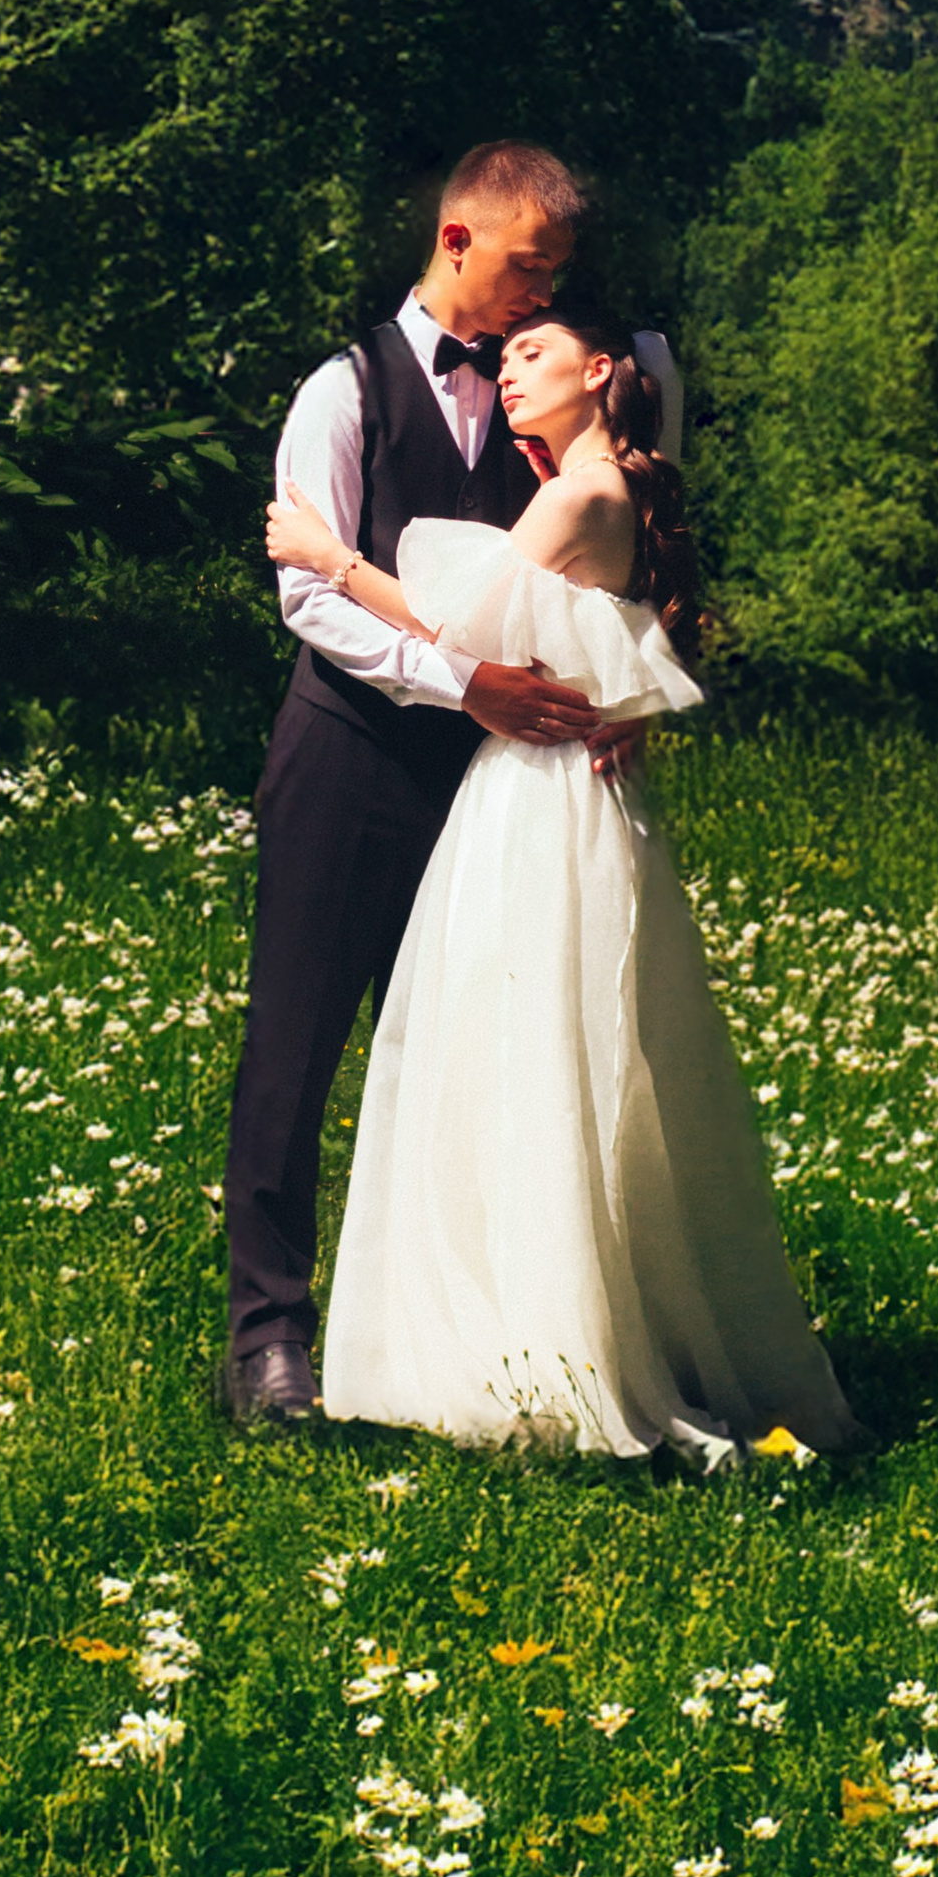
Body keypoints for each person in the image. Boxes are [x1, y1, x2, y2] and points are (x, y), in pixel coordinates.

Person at [264, 304, 868, 1464]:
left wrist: (329, 556)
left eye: (531, 353)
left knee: (520, 1051)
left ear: (601, 372)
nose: (505, 371)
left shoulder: (579, 493)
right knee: (575, 1054)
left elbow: (455, 627)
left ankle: (540, 1348)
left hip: (530, 797)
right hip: (567, 796)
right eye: (500, 357)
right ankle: (570, 1321)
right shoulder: (621, 487)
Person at [217, 140, 610, 1425]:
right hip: (347, 759)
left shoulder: (543, 395)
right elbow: (307, 596)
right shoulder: (340, 390)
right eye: (522, 267)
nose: (536, 296)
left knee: (464, 1057)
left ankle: (447, 1342)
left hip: (497, 788)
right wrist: (468, 685)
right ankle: (267, 1341)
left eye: (555, 277)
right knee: (294, 1046)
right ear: (455, 238)